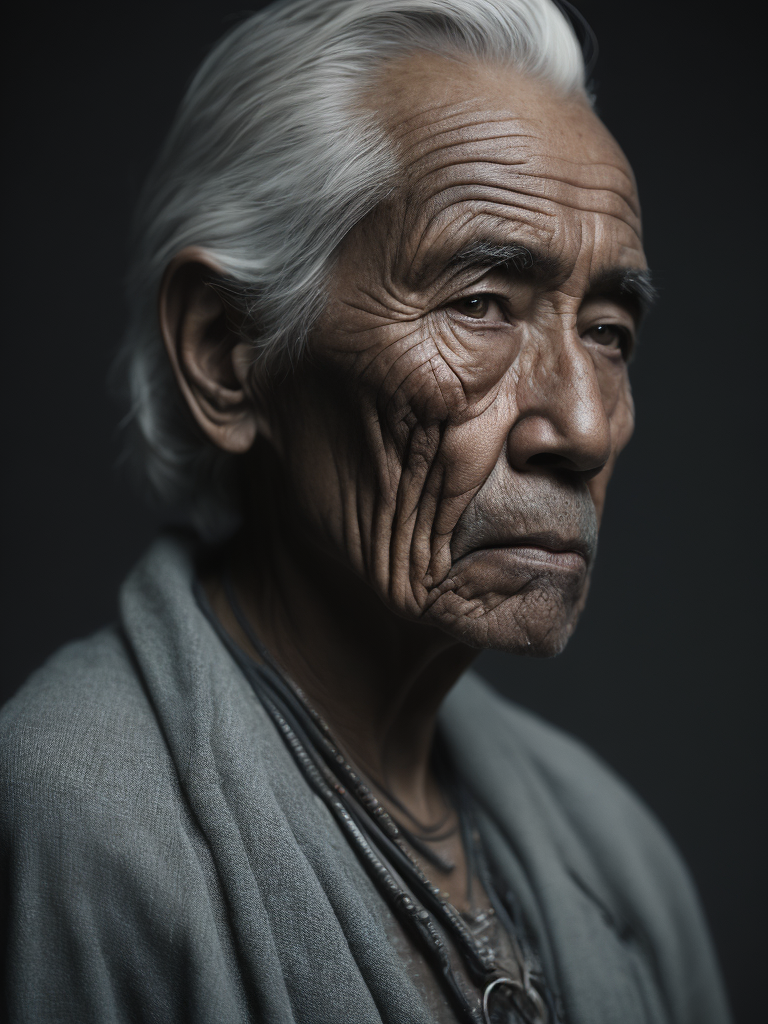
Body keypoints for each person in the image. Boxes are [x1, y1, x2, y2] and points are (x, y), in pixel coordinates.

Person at [0, 1, 732, 1022]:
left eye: (608, 331)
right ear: (226, 354)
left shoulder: (618, 856)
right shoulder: (70, 824)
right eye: (479, 304)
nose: (583, 425)